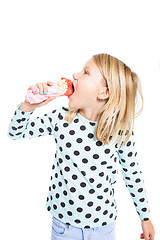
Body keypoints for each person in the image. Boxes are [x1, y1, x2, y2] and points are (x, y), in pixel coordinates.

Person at [7, 53, 155, 240]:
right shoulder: (61, 118)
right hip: (64, 227)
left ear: (103, 92)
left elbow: (132, 173)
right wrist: (29, 105)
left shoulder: (120, 130)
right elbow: (16, 132)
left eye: (86, 72)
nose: (75, 75)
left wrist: (145, 216)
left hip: (103, 228)